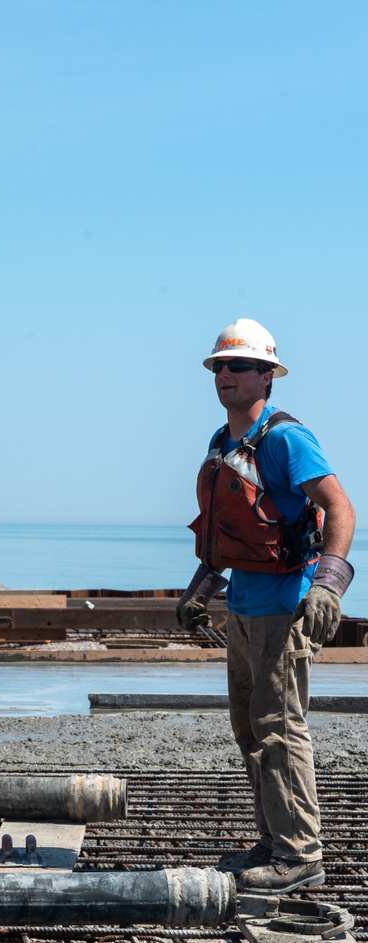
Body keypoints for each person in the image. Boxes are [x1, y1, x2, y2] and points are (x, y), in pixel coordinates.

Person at [177, 318, 356, 893]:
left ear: (267, 376)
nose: (225, 375)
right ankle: (273, 840)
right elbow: (230, 529)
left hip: (286, 605)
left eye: (238, 366)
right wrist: (200, 588)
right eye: (219, 367)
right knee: (250, 729)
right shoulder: (221, 441)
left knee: (280, 728)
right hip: (245, 607)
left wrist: (328, 583)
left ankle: (301, 854)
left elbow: (341, 508)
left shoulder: (285, 439)